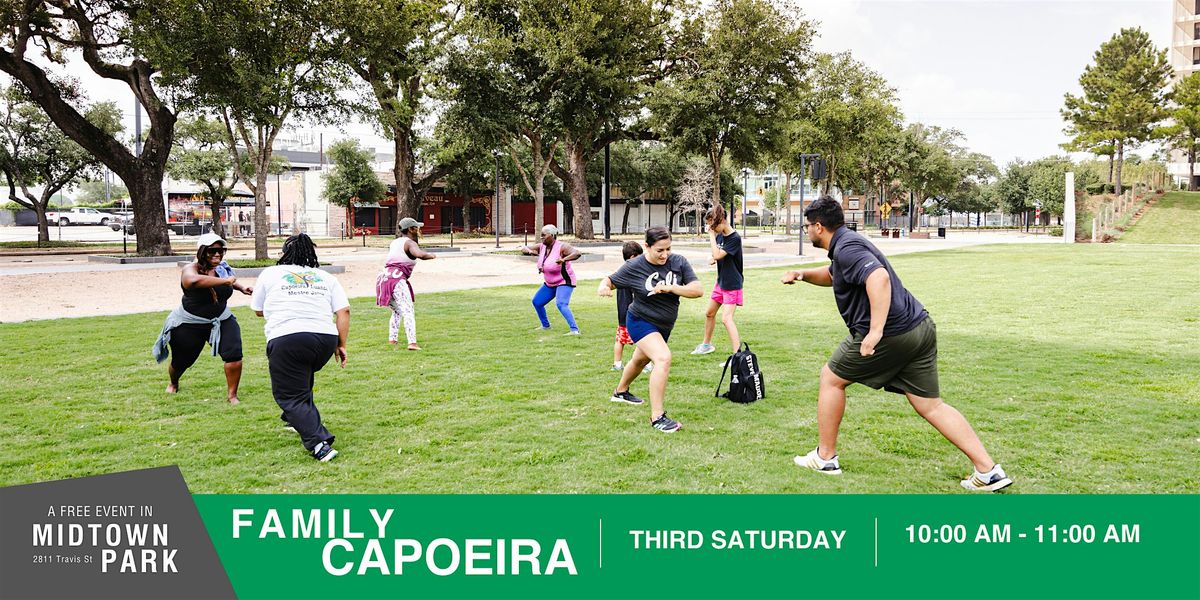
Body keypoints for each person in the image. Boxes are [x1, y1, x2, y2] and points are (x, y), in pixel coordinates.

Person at [781, 196, 1012, 491]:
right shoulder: (847, 245)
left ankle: (825, 458)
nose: (807, 232)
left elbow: (878, 278)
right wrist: (802, 275)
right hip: (919, 327)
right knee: (930, 405)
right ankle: (988, 470)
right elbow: (834, 274)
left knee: (831, 379)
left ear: (818, 226)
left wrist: (875, 331)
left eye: (807, 227)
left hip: (891, 334)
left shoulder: (848, 248)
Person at [250, 233, 350, 462]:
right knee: (301, 382)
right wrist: (341, 344)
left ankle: (319, 445)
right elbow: (343, 311)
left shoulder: (271, 273)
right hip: (324, 339)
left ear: (285, 252)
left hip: (288, 338)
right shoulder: (325, 276)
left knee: (289, 395)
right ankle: (294, 420)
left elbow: (258, 309)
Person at [598, 227, 702, 433]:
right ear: (647, 246)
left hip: (664, 325)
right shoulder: (635, 266)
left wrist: (671, 287)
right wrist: (603, 287)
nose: (665, 255)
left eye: (668, 249)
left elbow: (697, 290)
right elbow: (610, 280)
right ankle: (658, 417)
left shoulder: (678, 262)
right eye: (659, 250)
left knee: (639, 360)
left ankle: (620, 392)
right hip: (639, 320)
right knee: (663, 358)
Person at [152, 233, 250, 405]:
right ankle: (174, 382)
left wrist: (241, 287)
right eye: (212, 250)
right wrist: (225, 281)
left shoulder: (222, 268)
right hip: (190, 322)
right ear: (202, 252)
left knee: (234, 355)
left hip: (221, 318)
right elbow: (192, 281)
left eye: (221, 250)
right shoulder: (191, 269)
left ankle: (232, 396)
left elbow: (228, 281)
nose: (217, 254)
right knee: (182, 361)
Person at [377, 217, 436, 350]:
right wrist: (431, 255)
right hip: (397, 279)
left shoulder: (395, 242)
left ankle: (392, 339)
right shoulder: (410, 243)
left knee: (397, 310)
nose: (419, 229)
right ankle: (412, 343)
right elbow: (419, 254)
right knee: (408, 311)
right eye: (416, 227)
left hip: (384, 278)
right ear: (410, 229)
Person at [691, 205, 743, 356]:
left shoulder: (734, 238)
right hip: (721, 282)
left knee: (726, 319)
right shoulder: (720, 235)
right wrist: (711, 258)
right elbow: (716, 254)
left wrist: (711, 236)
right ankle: (706, 345)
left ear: (722, 221)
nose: (711, 228)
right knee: (709, 313)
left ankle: (737, 355)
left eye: (712, 225)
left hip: (732, 284)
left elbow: (719, 254)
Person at [521, 224, 582, 335]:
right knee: (537, 302)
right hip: (550, 283)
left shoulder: (562, 247)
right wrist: (530, 251)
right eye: (541, 235)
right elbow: (524, 247)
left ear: (552, 235)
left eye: (544, 235)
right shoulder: (542, 246)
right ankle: (545, 326)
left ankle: (575, 330)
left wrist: (564, 259)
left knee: (561, 304)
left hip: (564, 281)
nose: (542, 237)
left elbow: (577, 253)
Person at [610, 241, 650, 374]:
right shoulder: (634, 273)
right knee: (643, 340)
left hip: (622, 315)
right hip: (634, 314)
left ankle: (617, 364)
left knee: (620, 340)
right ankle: (646, 365)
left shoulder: (620, 273)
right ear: (633, 257)